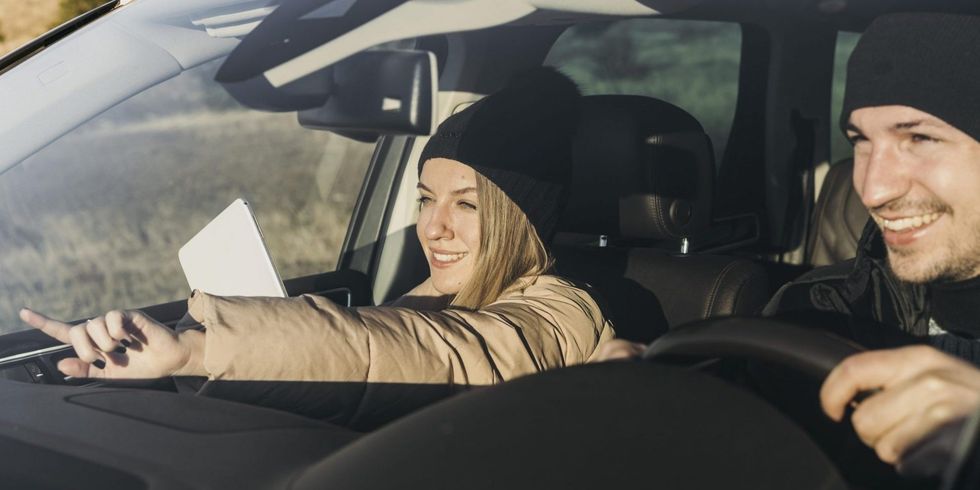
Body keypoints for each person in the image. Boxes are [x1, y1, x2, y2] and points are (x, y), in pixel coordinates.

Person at [18, 68, 615, 417]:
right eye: (426, 199)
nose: (432, 227)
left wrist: (199, 352)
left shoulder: (562, 313)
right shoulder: (431, 294)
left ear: (519, 218)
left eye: (466, 204)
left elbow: (414, 353)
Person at [599, 12, 980, 475]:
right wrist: (661, 403)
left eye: (919, 137)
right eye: (860, 141)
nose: (874, 189)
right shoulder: (824, 309)